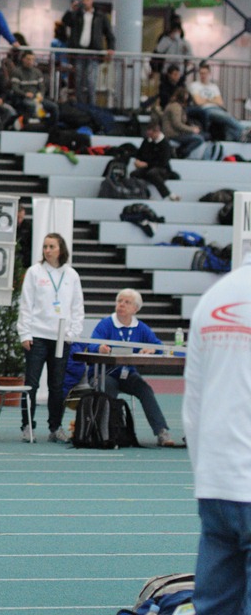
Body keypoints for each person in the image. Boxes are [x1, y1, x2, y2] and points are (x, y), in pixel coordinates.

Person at [183, 249, 251, 614]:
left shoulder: (213, 298)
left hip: (216, 485)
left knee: (213, 606)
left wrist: (206, 475)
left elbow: (193, 404)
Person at [17, 232, 85, 443]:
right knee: (31, 384)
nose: (47, 250)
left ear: (61, 249)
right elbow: (26, 304)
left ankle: (55, 427)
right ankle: (27, 425)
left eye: (51, 246)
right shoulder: (34, 272)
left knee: (57, 385)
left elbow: (77, 307)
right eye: (45, 247)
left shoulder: (71, 275)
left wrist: (73, 333)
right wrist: (24, 333)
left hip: (61, 339)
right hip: (37, 336)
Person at [87, 288, 175, 446]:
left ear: (135, 309)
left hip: (127, 374)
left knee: (145, 389)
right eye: (119, 301)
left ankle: (161, 431)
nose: (121, 304)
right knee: (108, 386)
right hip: (104, 373)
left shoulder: (141, 328)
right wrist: (100, 348)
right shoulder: (106, 324)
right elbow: (92, 344)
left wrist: (152, 349)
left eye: (127, 302)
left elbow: (159, 346)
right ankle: (107, 432)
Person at [60, 0, 115, 105]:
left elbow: (109, 33)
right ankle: (80, 105)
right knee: (79, 80)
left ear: (92, 0)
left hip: (94, 52)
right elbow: (65, 21)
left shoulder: (100, 16)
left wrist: (111, 48)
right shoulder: (77, 15)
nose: (85, 2)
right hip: (79, 51)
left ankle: (91, 105)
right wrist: (71, 10)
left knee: (91, 80)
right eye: (83, 0)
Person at [188, 62, 246, 142]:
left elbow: (220, 102)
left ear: (209, 74)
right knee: (226, 116)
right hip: (205, 110)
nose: (203, 75)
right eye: (201, 73)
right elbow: (198, 102)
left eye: (205, 73)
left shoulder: (214, 86)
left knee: (227, 118)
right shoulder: (194, 85)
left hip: (217, 108)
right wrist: (213, 100)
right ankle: (243, 130)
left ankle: (240, 136)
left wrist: (205, 100)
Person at [131, 122, 180, 201]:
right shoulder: (147, 141)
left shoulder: (165, 144)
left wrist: (146, 164)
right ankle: (143, 194)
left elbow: (163, 162)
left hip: (163, 169)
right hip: (148, 167)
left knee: (152, 173)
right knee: (134, 174)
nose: (149, 137)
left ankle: (168, 195)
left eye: (151, 135)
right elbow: (139, 153)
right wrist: (137, 161)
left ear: (157, 132)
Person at [10, 51, 59, 128]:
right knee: (32, 105)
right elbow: (15, 88)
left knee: (54, 107)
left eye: (32, 59)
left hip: (37, 98)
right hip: (23, 98)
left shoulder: (37, 72)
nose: (30, 61)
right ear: (23, 59)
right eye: (28, 59)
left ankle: (50, 128)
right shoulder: (17, 72)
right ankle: (31, 127)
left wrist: (41, 95)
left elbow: (42, 87)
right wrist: (25, 94)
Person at [161, 87, 205, 160]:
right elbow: (177, 124)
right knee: (199, 139)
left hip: (175, 133)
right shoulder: (176, 107)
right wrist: (192, 129)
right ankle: (182, 153)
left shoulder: (174, 105)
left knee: (202, 135)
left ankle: (180, 151)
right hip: (173, 134)